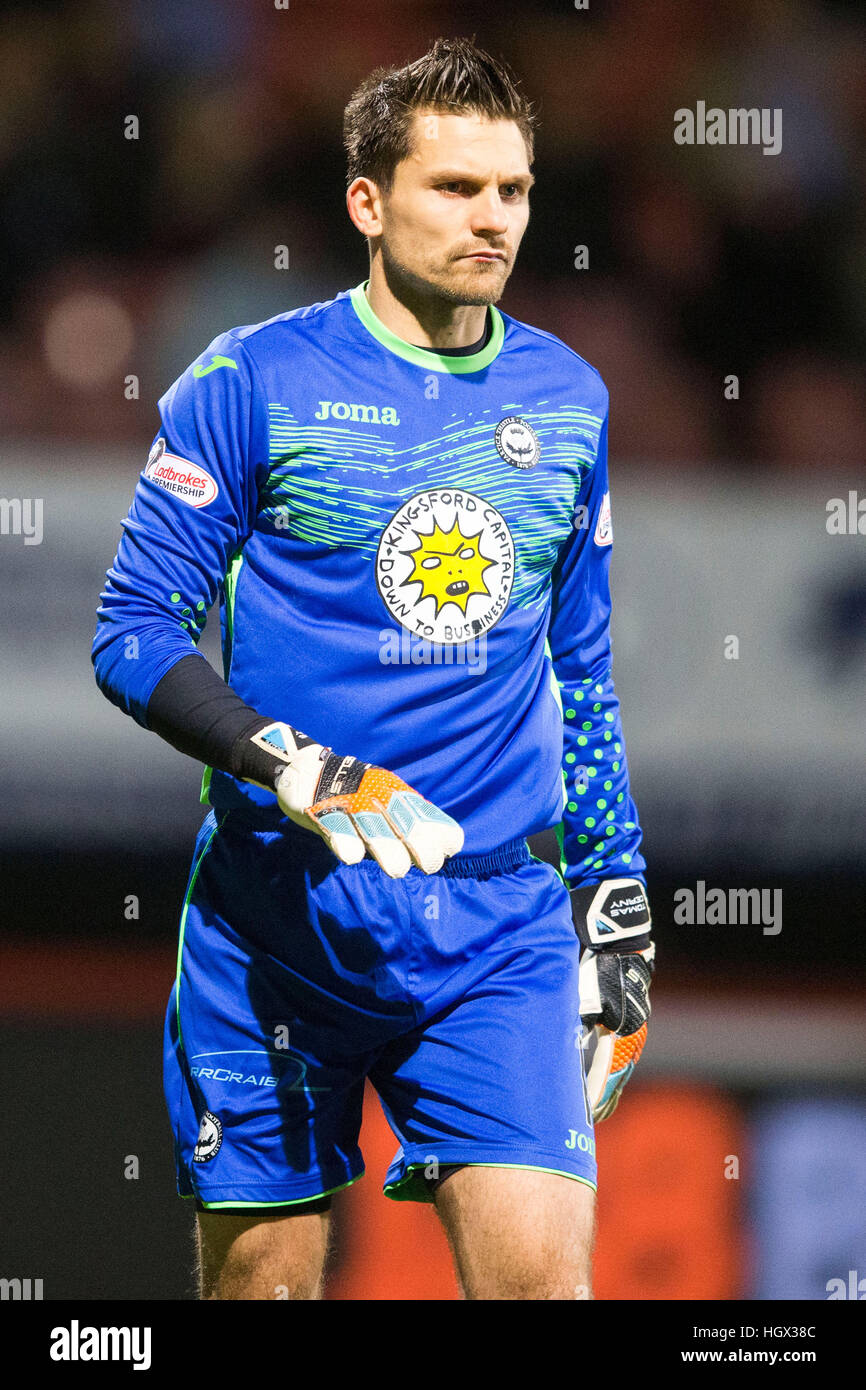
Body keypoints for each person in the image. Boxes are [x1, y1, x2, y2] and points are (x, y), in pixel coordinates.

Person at [92, 36, 653, 1301]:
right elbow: (130, 635)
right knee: (267, 1295)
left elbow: (582, 666)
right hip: (272, 921)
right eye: (454, 188)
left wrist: (616, 901)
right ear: (366, 202)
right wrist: (294, 763)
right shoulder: (252, 381)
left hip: (493, 933)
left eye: (509, 190)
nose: (491, 219)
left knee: (540, 1290)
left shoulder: (568, 399)